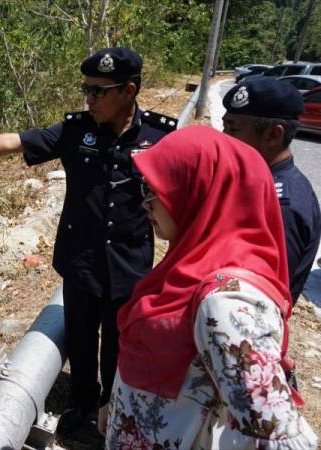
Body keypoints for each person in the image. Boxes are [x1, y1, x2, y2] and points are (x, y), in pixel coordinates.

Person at [0, 47, 177, 430]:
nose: (89, 98)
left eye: (99, 91)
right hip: (81, 262)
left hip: (129, 266)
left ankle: (115, 415)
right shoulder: (75, 130)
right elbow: (11, 142)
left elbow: (190, 195)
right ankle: (83, 410)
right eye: (86, 89)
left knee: (122, 348)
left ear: (129, 90)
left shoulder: (161, 136)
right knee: (83, 344)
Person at [99, 125, 317, 449]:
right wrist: (118, 406)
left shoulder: (225, 303)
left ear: (200, 191)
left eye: (155, 189)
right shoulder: (189, 266)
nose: (145, 203)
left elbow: (278, 438)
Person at [222, 78, 321, 304]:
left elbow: (258, 297)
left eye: (233, 129)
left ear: (273, 135)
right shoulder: (259, 182)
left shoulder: (281, 206)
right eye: (224, 125)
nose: (223, 137)